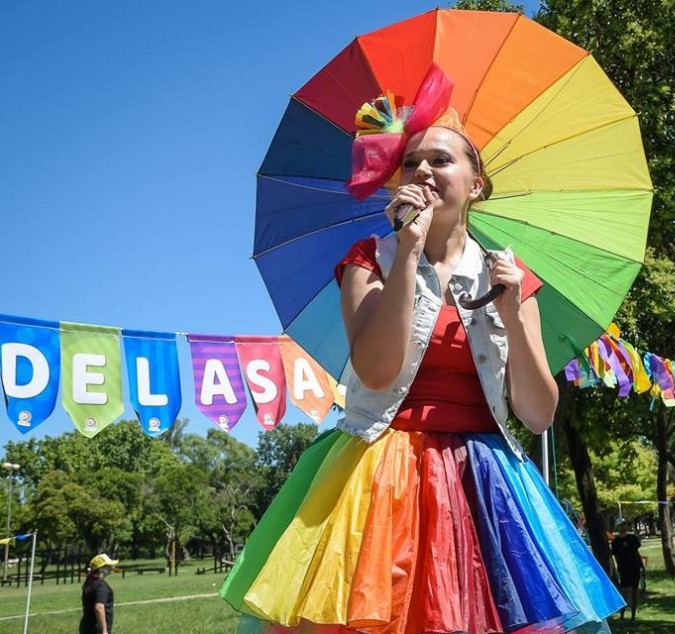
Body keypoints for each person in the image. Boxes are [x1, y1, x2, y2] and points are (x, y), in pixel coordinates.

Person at [219, 72, 625, 632]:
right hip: (379, 471)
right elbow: (376, 372)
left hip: (487, 483)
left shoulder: (510, 276)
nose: (424, 172)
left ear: (476, 185)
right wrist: (408, 250)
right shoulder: (369, 260)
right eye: (410, 163)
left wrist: (512, 312)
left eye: (441, 160)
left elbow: (537, 414)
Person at [611, 521, 645, 621]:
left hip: (634, 566)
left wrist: (642, 565)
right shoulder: (615, 541)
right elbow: (615, 556)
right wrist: (618, 568)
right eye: (622, 525)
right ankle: (622, 614)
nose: (624, 526)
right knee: (624, 591)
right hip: (624, 568)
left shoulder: (632, 538)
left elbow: (636, 552)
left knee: (634, 590)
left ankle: (633, 615)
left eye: (625, 525)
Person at [79, 553, 118, 634]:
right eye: (108, 566)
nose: (110, 568)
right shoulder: (101, 586)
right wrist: (104, 630)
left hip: (86, 627)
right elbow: (99, 607)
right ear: (101, 569)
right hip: (96, 630)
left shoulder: (89, 583)